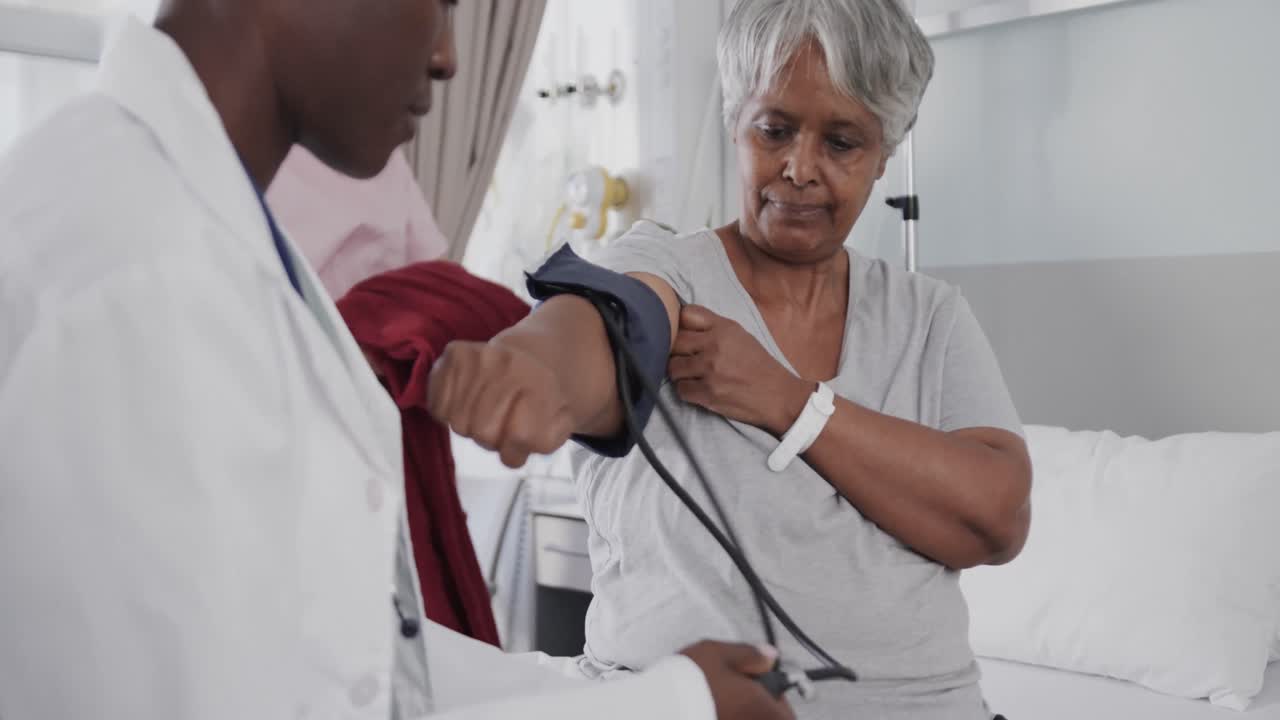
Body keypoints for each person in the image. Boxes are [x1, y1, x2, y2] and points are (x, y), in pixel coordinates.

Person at [0, 1, 794, 719]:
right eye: (441, 3)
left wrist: (634, 691)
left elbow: (343, 653)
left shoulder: (212, 234)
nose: (449, 56)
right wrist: (668, 707)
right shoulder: (131, 270)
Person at [430, 0, 1033, 718]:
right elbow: (605, 326)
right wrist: (531, 366)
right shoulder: (667, 271)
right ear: (735, 121)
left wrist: (788, 401)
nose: (799, 169)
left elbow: (997, 517)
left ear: (884, 154)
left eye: (842, 142)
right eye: (774, 130)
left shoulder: (929, 316)